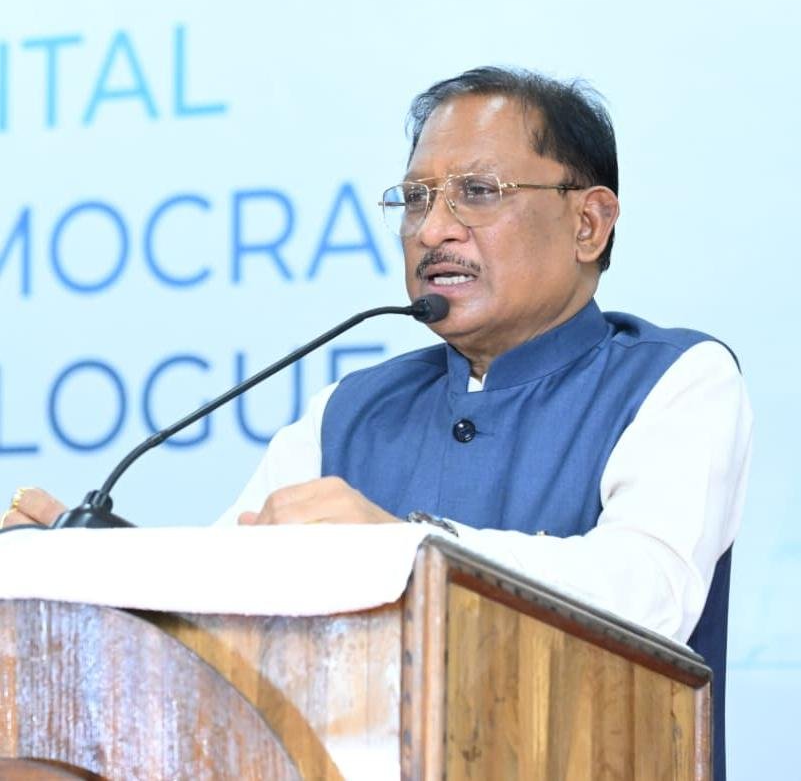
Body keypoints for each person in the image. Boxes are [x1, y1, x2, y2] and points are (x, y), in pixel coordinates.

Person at [7, 67, 751, 778]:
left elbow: (648, 595)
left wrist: (405, 550)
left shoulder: (676, 378)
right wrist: (84, 570)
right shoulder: (351, 409)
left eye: (477, 193)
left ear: (588, 223)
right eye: (417, 199)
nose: (433, 230)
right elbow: (221, 599)